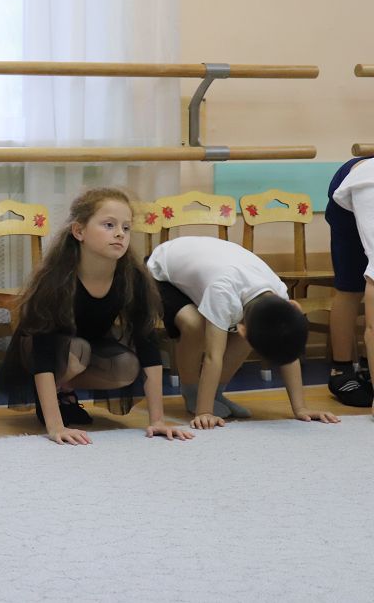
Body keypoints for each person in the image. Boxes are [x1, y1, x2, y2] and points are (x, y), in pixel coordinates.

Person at [0, 188, 192, 445]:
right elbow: (42, 351)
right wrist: (56, 427)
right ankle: (51, 396)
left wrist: (157, 420)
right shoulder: (56, 279)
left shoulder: (133, 277)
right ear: (79, 231)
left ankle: (65, 389)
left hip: (88, 348)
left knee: (127, 366)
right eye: (109, 225)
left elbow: (147, 343)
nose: (120, 234)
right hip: (39, 351)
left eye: (126, 227)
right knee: (77, 351)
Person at [147, 235, 340, 429]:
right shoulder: (222, 292)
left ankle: (216, 395)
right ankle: (192, 394)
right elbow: (213, 357)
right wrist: (204, 412)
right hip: (160, 272)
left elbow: (287, 347)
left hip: (208, 269)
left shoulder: (278, 293)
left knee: (257, 332)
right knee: (195, 325)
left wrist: (301, 408)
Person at [325, 156, 374, 407]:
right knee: (351, 286)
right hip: (354, 183)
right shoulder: (368, 185)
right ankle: (341, 370)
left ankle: (367, 365)